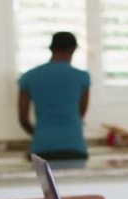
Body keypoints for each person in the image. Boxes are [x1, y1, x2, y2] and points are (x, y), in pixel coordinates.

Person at [18, 31, 90, 160]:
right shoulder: (82, 77)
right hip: (74, 147)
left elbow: (23, 118)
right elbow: (81, 112)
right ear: (73, 49)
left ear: (51, 48)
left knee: (44, 181)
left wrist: (41, 134)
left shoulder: (29, 77)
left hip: (42, 148)